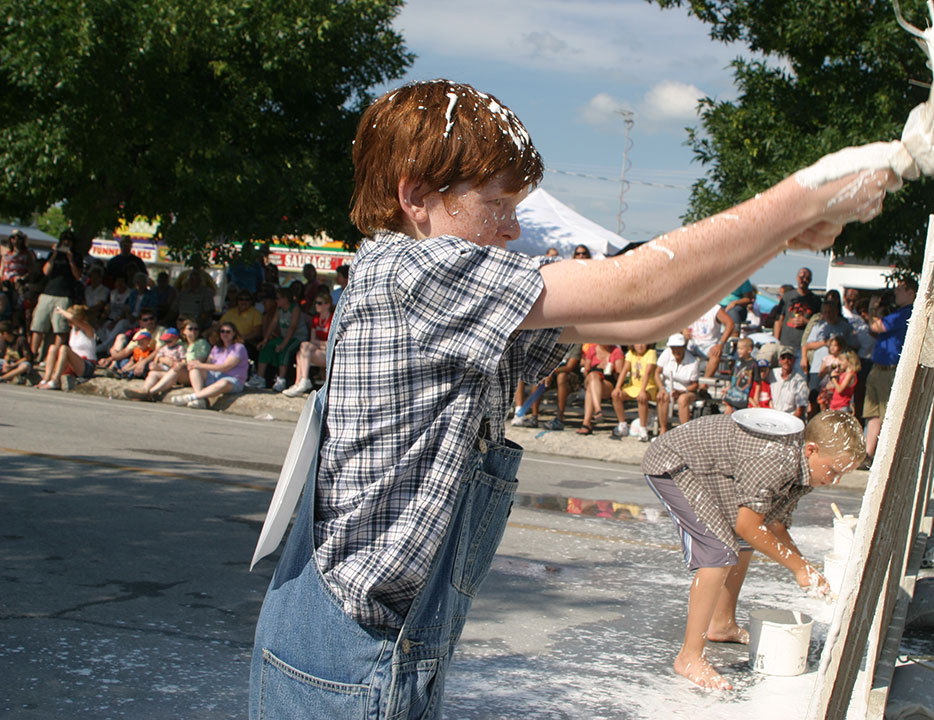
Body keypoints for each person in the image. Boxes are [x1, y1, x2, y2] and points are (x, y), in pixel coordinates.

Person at [248, 79, 894, 719]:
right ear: (416, 196)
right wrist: (801, 195)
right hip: (344, 658)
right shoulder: (412, 272)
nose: (511, 228)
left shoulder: (449, 297)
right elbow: (635, 287)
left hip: (383, 645)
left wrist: (775, 242)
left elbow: (645, 319)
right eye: (497, 203)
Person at [641, 411, 865, 689]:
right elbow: (749, 525)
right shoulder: (776, 459)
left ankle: (721, 625)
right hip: (673, 464)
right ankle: (689, 657)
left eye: (842, 474)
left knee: (742, 543)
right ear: (811, 449)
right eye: (833, 471)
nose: (835, 481)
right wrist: (797, 567)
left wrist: (805, 566)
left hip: (710, 467)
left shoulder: (806, 468)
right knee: (718, 550)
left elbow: (775, 524)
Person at [861, 276, 917, 463]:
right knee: (873, 413)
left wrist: (872, 309)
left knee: (888, 415)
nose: (896, 292)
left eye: (900, 289)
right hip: (878, 367)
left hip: (890, 370)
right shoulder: (898, 312)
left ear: (911, 292)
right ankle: (868, 453)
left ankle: (885, 456)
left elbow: (878, 326)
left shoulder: (907, 313)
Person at [29, 231, 83, 363]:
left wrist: (70, 260)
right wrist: (53, 255)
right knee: (38, 326)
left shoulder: (76, 256)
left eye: (69, 240)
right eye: (64, 239)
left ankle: (51, 358)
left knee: (60, 328)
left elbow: (78, 276)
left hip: (64, 295)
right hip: (48, 293)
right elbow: (46, 271)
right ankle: (32, 355)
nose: (66, 242)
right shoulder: (54, 254)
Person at [171, 321, 249, 409]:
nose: (225, 334)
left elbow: (225, 367)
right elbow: (208, 364)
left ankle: (191, 397)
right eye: (222, 331)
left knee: (223, 383)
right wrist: (196, 365)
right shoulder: (216, 348)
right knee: (194, 369)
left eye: (228, 332)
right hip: (214, 376)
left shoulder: (238, 347)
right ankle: (200, 400)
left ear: (234, 333)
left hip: (232, 379)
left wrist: (200, 365)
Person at [250, 286, 307, 391]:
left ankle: (281, 379)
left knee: (285, 350)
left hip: (297, 338)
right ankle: (260, 377)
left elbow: (292, 327)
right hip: (285, 337)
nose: (276, 300)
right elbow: (273, 323)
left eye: (278, 298)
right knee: (266, 347)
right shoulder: (279, 309)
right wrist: (265, 340)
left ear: (286, 298)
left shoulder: (295, 309)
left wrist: (283, 344)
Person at [282, 290, 334, 397]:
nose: (316, 305)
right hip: (319, 351)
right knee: (301, 351)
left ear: (327, 305)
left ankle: (304, 381)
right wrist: (322, 344)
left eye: (319, 303)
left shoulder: (332, 318)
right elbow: (312, 339)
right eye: (315, 302)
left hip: (330, 354)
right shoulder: (316, 319)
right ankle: (299, 383)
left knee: (304, 347)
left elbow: (331, 343)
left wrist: (319, 344)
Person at [36, 304, 96, 391]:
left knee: (64, 348)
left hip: (87, 365)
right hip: (73, 363)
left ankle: (55, 380)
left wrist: (61, 311)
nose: (68, 322)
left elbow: (73, 318)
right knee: (53, 348)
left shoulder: (88, 329)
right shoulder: (73, 330)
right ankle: (46, 379)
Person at [773, 267, 821, 366]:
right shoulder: (787, 296)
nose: (803, 279)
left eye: (806, 277)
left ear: (810, 280)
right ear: (796, 278)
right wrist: (776, 341)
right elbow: (779, 320)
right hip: (786, 342)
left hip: (803, 344)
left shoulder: (815, 300)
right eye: (801, 276)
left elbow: (819, 323)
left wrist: (807, 321)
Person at [123, 327, 186, 401]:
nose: (167, 342)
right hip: (164, 368)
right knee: (153, 373)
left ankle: (149, 393)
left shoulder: (180, 348)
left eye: (169, 341)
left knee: (172, 370)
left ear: (176, 339)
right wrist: (163, 361)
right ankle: (145, 390)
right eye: (165, 341)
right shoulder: (164, 348)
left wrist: (175, 363)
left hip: (174, 371)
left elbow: (184, 361)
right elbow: (158, 358)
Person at [612, 343, 659, 440]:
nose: (640, 346)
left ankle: (643, 428)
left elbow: (647, 372)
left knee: (642, 397)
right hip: (633, 386)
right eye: (637, 343)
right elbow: (625, 370)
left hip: (649, 386)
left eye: (643, 343)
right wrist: (617, 387)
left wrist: (642, 390)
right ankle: (622, 424)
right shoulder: (630, 353)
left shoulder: (651, 353)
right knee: (615, 394)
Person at [576, 343, 625, 435]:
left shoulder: (616, 352)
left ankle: (586, 424)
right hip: (591, 378)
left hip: (607, 383)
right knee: (592, 376)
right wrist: (598, 367)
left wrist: (611, 367)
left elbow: (619, 376)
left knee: (591, 387)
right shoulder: (592, 350)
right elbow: (586, 371)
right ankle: (598, 409)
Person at [656, 333, 700, 433]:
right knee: (663, 396)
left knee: (683, 399)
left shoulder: (693, 362)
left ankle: (684, 432)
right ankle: (663, 429)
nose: (676, 351)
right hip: (668, 388)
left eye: (679, 347)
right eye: (673, 348)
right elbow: (657, 373)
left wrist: (682, 391)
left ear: (684, 347)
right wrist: (661, 388)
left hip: (686, 390)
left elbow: (695, 385)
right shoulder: (666, 353)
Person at [540, 344, 583, 431]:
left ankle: (559, 418)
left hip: (570, 376)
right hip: (553, 373)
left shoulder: (576, 344)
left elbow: (569, 367)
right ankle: (533, 417)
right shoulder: (554, 342)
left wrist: (551, 372)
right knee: (539, 377)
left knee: (561, 377)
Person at [690, 303, 736, 379]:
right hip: (690, 343)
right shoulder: (688, 306)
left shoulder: (714, 308)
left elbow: (730, 324)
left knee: (716, 354)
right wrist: (684, 330)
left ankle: (704, 384)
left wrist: (720, 344)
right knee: (674, 348)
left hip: (709, 344)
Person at [770, 346, 810, 418]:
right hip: (772, 415)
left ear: (794, 360)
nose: (786, 360)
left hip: (790, 418)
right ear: (779, 360)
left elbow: (800, 410)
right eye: (783, 358)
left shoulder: (800, 381)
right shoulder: (772, 374)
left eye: (789, 358)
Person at [722, 337, 755, 413]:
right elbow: (734, 377)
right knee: (727, 413)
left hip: (742, 398)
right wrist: (728, 387)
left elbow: (757, 382)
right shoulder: (737, 362)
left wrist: (755, 396)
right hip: (731, 395)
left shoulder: (753, 364)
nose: (738, 351)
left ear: (749, 350)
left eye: (741, 349)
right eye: (738, 349)